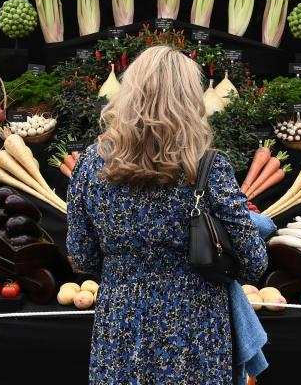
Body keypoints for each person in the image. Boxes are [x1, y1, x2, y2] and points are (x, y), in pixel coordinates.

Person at [67, 45, 268, 384]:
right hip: (196, 334)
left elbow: (82, 257)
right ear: (190, 102)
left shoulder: (89, 165)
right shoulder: (208, 168)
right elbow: (253, 262)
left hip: (121, 328)